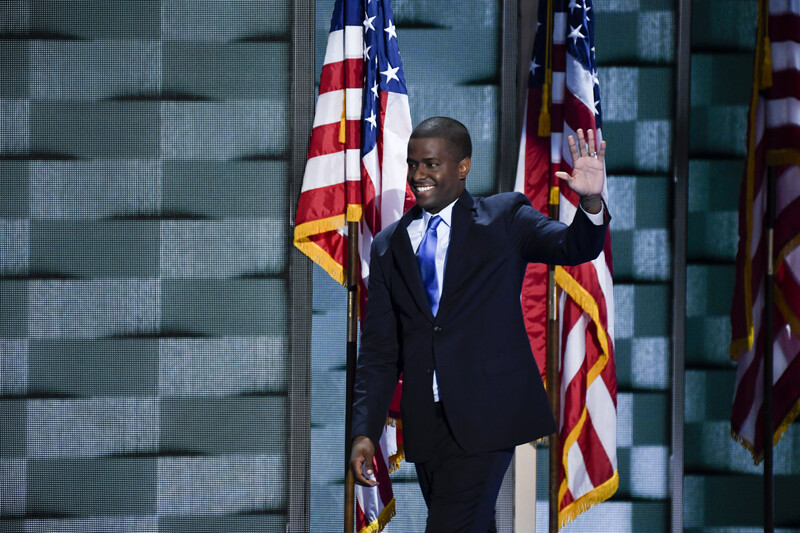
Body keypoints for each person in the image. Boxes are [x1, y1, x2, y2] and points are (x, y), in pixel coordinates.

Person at [350, 116, 609, 532]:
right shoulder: (388, 246)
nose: (419, 176)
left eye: (431, 164)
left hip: (488, 417)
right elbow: (381, 350)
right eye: (413, 165)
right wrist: (364, 430)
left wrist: (592, 204)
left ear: (463, 167)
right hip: (426, 425)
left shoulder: (504, 218)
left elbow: (573, 246)